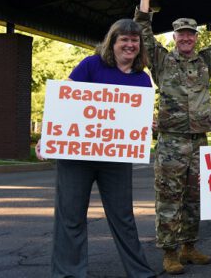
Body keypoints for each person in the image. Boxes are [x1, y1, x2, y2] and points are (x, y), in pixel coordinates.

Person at [37, 19, 156, 277]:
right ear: (112, 42)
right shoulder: (91, 65)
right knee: (71, 217)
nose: (130, 44)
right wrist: (46, 137)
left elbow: (139, 121)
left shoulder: (142, 79)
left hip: (116, 158)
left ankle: (140, 273)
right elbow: (64, 99)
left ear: (140, 45)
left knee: (123, 218)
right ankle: (69, 273)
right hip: (76, 156)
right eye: (123, 39)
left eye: (134, 40)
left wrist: (148, 122)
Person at [135, 0, 211, 275]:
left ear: (195, 37)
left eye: (191, 34)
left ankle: (189, 246)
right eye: (181, 34)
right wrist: (145, 2)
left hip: (199, 141)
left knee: (194, 198)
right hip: (170, 141)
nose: (186, 38)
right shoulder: (162, 61)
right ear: (175, 37)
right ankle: (169, 252)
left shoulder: (205, 62)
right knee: (169, 198)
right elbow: (144, 35)